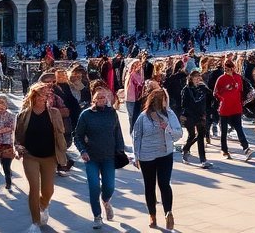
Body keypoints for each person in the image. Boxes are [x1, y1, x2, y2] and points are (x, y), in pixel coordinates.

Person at [14, 81, 66, 231]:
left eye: (45, 95)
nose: (43, 97)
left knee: (48, 190)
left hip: (49, 156)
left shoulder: (54, 113)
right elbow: (17, 136)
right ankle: (35, 223)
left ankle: (43, 205)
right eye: (40, 94)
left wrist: (63, 151)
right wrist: (18, 146)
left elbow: (60, 134)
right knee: (34, 188)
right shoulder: (24, 115)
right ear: (33, 96)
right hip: (30, 155)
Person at [132, 88, 182, 230]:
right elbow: (136, 136)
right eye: (165, 99)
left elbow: (179, 134)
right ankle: (152, 216)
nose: (167, 101)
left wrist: (168, 129)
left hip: (165, 154)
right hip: (147, 156)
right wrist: (136, 155)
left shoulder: (170, 114)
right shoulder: (143, 117)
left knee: (164, 183)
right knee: (150, 185)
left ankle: (168, 212)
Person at [73, 88, 123, 229]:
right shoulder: (86, 115)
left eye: (104, 97)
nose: (101, 99)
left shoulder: (112, 113)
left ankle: (106, 201)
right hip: (91, 157)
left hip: (108, 157)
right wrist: (82, 150)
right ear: (93, 100)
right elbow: (77, 136)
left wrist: (120, 151)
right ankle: (97, 216)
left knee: (109, 187)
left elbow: (118, 134)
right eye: (98, 97)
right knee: (94, 187)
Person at [213, 58, 254, 160]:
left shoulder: (238, 77)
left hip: (236, 107)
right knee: (224, 130)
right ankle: (224, 149)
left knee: (239, 128)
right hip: (225, 107)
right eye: (225, 68)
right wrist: (224, 92)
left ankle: (246, 148)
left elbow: (240, 91)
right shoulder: (221, 79)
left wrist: (241, 102)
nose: (227, 70)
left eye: (228, 68)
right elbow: (215, 92)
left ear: (233, 68)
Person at [178, 70, 212, 168]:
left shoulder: (202, 88)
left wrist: (205, 86)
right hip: (190, 116)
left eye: (199, 76)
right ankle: (185, 150)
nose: (198, 79)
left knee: (201, 136)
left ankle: (203, 160)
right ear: (191, 78)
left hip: (200, 115)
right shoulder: (186, 89)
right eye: (195, 77)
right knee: (192, 135)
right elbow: (184, 104)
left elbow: (210, 96)